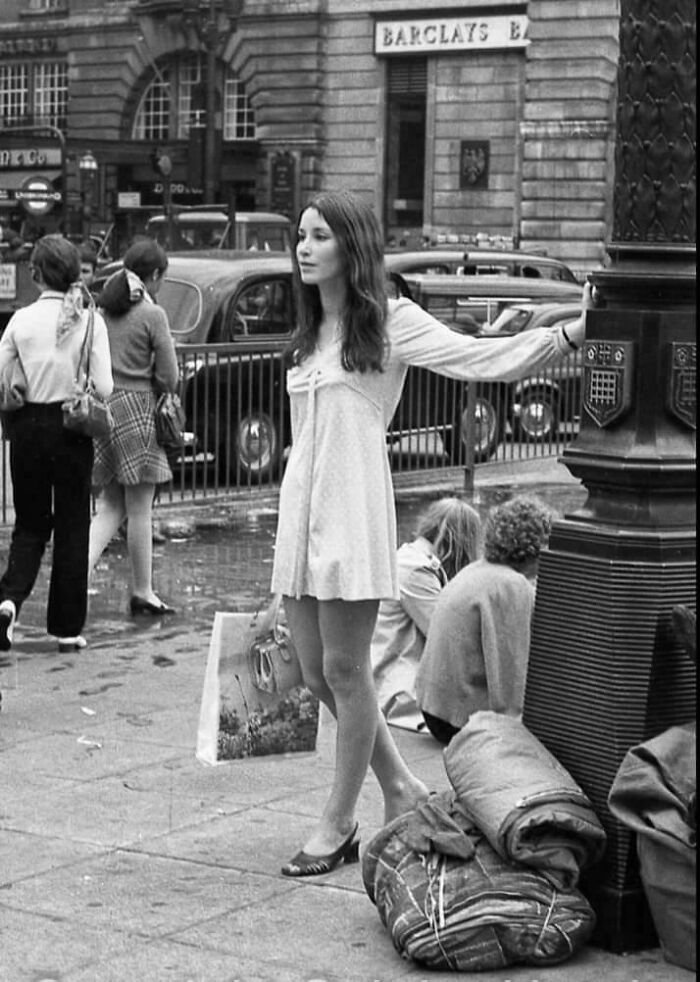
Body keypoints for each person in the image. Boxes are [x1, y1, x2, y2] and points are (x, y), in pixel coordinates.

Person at [270, 189, 589, 878]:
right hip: (301, 510)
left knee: (347, 672)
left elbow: (481, 359)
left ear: (349, 246)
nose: (303, 246)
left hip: (352, 509)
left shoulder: (389, 322)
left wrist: (565, 333)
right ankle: (401, 785)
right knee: (312, 670)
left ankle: (337, 821)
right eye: (300, 234)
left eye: (319, 236)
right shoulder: (307, 333)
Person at [0, 235, 113, 654]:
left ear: (34, 273)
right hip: (71, 427)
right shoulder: (90, 321)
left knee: (29, 522)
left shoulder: (20, 321)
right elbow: (105, 385)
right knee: (71, 525)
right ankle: (66, 628)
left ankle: (8, 600)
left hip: (26, 426)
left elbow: (1, 374)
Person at [87, 240, 179, 616]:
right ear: (154, 276)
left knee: (110, 505)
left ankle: (77, 574)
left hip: (105, 407)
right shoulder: (151, 313)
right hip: (139, 409)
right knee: (140, 508)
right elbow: (169, 375)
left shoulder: (105, 310)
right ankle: (143, 591)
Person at [415, 495, 553, 745]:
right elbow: (510, 675)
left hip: (434, 710)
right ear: (538, 548)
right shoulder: (511, 586)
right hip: (460, 721)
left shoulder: (479, 569)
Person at [370, 496, 481, 732]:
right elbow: (446, 636)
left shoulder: (410, 558)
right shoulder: (417, 571)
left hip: (390, 678)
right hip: (400, 691)